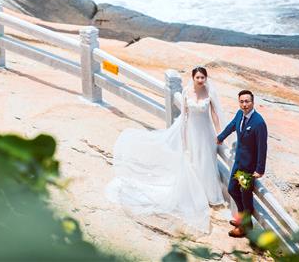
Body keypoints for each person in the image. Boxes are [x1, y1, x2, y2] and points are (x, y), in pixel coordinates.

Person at [106, 66, 226, 234]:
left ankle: (209, 194)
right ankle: (195, 193)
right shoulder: (186, 92)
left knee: (206, 161)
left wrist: (219, 133)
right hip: (192, 132)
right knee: (193, 160)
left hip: (206, 132)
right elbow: (184, 116)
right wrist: (183, 138)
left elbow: (214, 114)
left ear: (206, 78)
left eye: (202, 77)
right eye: (197, 77)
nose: (200, 80)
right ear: (193, 78)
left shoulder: (209, 91)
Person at [216, 90, 268, 238]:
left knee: (246, 198)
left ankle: (245, 226)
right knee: (232, 189)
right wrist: (220, 137)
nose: (244, 104)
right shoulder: (240, 114)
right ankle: (243, 219)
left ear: (253, 102)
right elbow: (232, 125)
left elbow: (262, 147)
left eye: (247, 101)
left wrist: (260, 169)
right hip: (238, 162)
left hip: (248, 167)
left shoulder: (259, 123)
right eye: (242, 101)